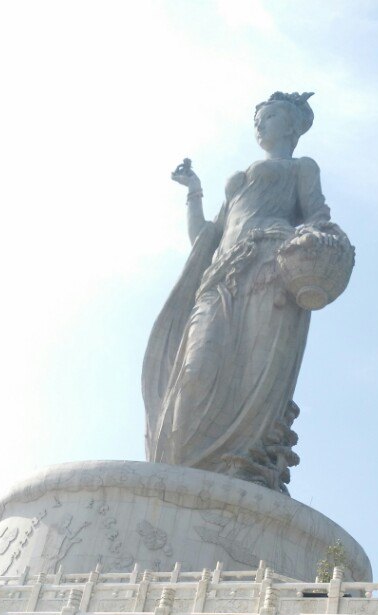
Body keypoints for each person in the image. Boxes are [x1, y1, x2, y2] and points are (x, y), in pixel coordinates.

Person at [143, 92, 348, 494]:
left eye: (269, 116)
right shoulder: (236, 184)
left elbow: (318, 216)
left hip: (268, 269)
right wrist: (194, 191)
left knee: (252, 371)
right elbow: (205, 238)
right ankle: (180, 469)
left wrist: (316, 239)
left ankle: (239, 463)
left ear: (289, 125)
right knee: (195, 369)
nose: (260, 124)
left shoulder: (301, 168)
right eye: (258, 118)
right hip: (219, 277)